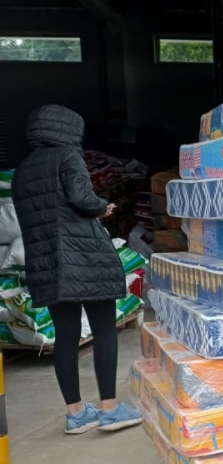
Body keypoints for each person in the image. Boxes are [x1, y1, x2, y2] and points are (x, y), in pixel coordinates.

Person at [11, 105, 142, 435]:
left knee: (65, 336)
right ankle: (110, 409)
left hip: (48, 264)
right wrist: (104, 207)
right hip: (84, 257)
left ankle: (77, 413)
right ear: (68, 129)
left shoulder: (24, 169)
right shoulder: (67, 156)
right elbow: (82, 198)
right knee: (105, 330)